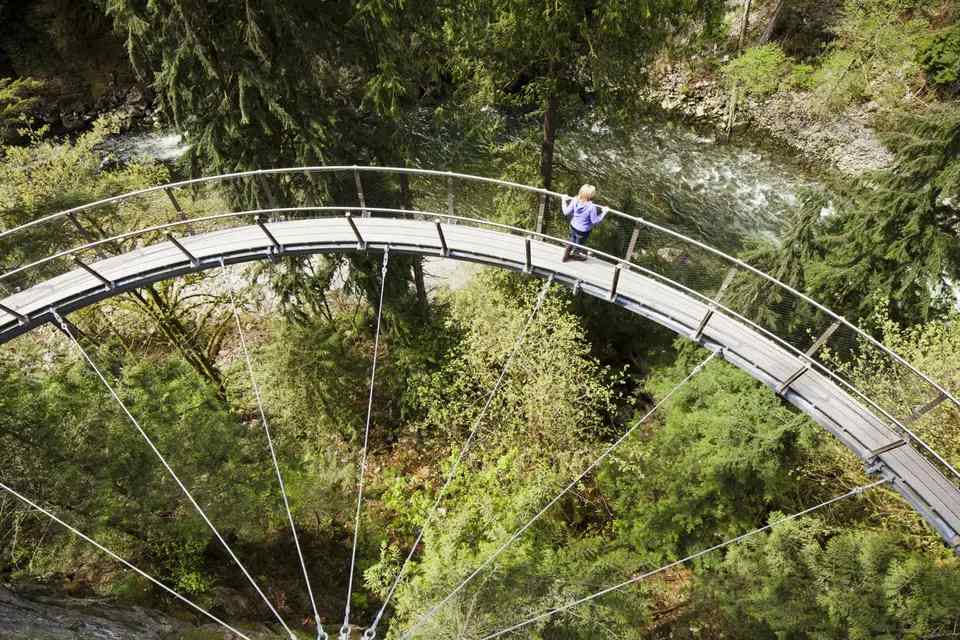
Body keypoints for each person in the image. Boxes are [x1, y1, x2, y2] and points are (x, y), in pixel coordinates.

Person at [561, 184, 607, 262]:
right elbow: (595, 221)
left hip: (573, 226)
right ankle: (575, 255)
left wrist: (563, 200)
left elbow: (566, 212)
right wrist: (604, 213)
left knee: (572, 239)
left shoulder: (575, 199)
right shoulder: (591, 207)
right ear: (591, 195)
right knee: (579, 244)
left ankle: (566, 255)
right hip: (583, 231)